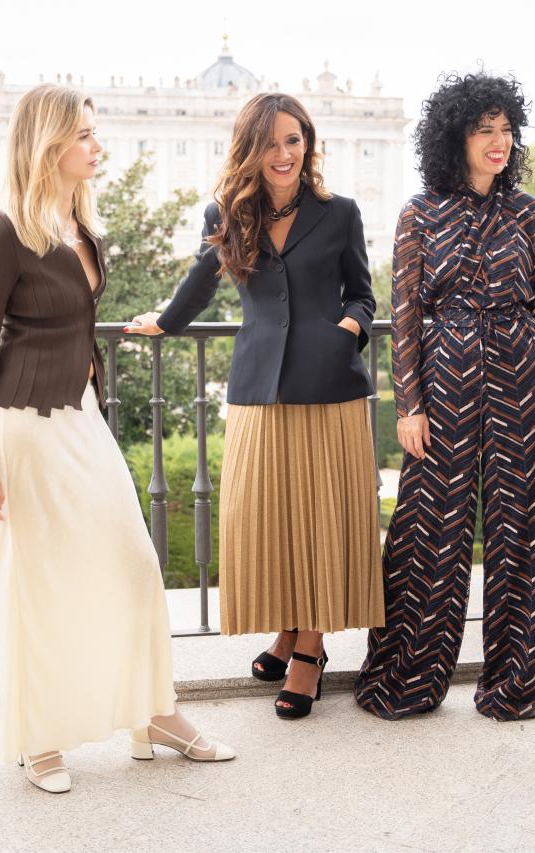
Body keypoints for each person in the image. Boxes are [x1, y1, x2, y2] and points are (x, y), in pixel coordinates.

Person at [0, 84, 234, 795]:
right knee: (36, 583)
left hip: (82, 416)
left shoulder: (80, 225)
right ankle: (37, 737)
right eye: (85, 135)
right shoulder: (5, 231)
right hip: (23, 428)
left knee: (134, 564)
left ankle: (156, 713)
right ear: (49, 143)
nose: (97, 145)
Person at [126, 93, 383, 721]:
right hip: (257, 390)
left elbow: (363, 294)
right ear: (251, 149)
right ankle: (288, 632)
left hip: (330, 386)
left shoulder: (339, 212)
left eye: (294, 141)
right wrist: (164, 321)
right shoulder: (229, 212)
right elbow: (201, 276)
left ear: (307, 144)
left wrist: (348, 328)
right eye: (270, 143)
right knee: (273, 516)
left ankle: (311, 652)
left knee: (324, 518)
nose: (284, 154)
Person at [353, 71, 535, 722]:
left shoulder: (529, 214)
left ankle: (521, 685)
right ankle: (407, 678)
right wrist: (410, 405)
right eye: (485, 130)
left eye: (507, 130)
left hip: (522, 374)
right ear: (457, 138)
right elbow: (404, 317)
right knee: (430, 527)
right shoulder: (420, 214)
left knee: (526, 530)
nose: (499, 141)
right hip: (445, 380)